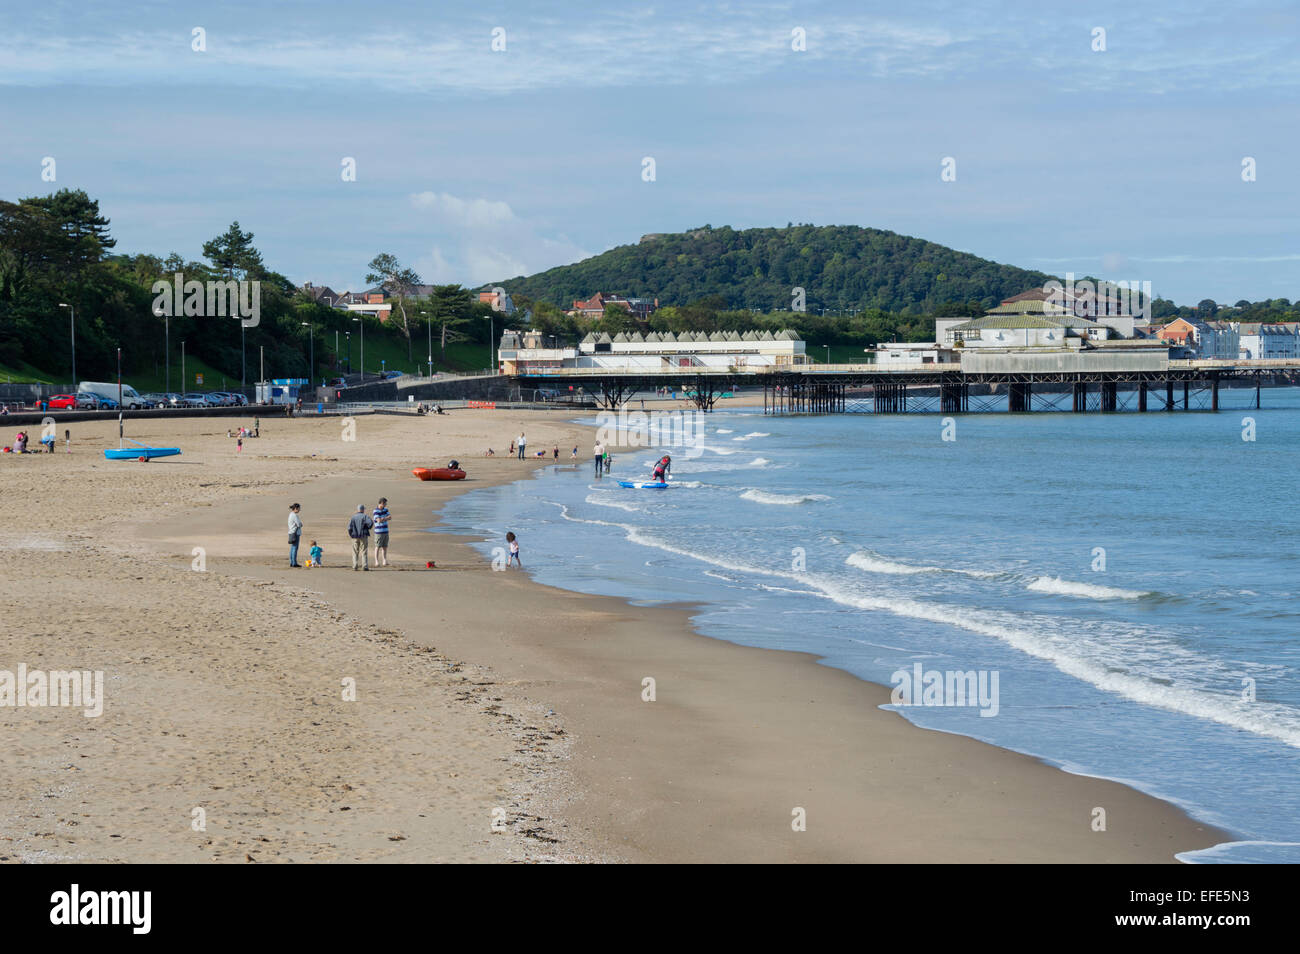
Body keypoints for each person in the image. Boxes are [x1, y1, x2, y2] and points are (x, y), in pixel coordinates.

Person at [348, 504, 373, 571]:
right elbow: (370, 523)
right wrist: (367, 528)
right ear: (362, 510)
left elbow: (349, 528)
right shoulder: (365, 516)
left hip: (355, 536)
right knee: (364, 551)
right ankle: (364, 566)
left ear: (357, 510)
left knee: (355, 551)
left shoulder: (353, 517)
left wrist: (351, 535)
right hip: (363, 536)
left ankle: (355, 566)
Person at [372, 497, 391, 567]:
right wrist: (385, 518)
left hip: (385, 531)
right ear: (382, 503)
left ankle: (384, 561)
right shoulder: (375, 511)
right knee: (377, 547)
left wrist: (383, 518)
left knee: (385, 546)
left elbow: (390, 517)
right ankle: (376, 561)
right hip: (378, 532)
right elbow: (378, 520)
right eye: (385, 503)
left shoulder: (386, 510)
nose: (386, 505)